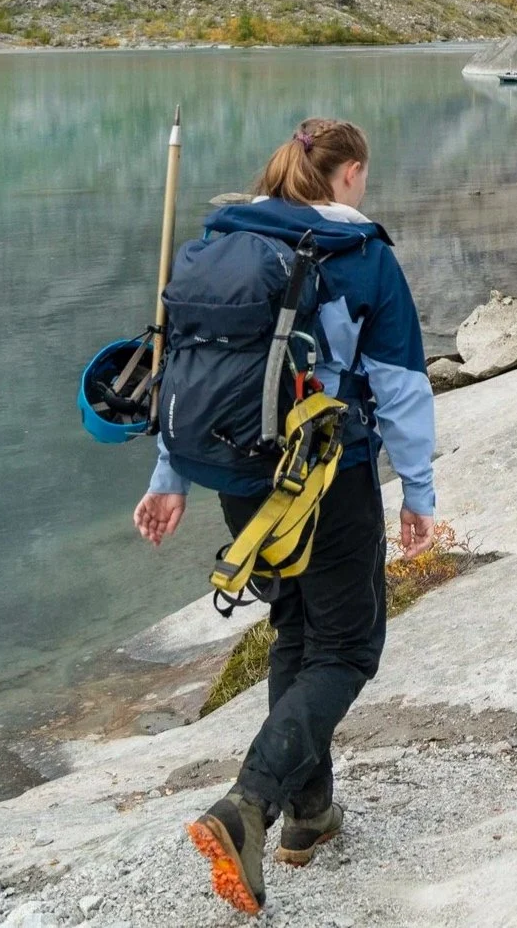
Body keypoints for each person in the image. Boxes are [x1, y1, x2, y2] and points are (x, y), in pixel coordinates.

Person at [131, 118, 438, 917]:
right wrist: (419, 492)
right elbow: (400, 384)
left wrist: (170, 476)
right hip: (326, 473)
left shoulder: (219, 243)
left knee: (296, 628)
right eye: (363, 174)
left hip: (238, 474)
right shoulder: (358, 253)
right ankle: (252, 802)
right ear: (349, 173)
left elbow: (181, 367)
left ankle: (310, 813)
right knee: (349, 646)